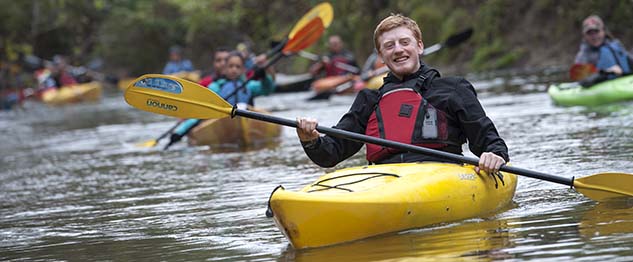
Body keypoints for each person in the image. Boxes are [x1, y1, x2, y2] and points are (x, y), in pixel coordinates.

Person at [295, 14, 508, 176]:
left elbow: (491, 144)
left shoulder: (453, 89)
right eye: (389, 46)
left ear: (420, 46)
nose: (398, 50)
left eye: (404, 42)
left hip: (440, 176)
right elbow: (331, 154)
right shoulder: (369, 100)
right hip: (386, 179)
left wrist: (494, 156)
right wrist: (310, 140)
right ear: (381, 55)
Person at [165, 51, 276, 149]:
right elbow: (200, 113)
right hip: (220, 120)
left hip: (246, 118)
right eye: (231, 66)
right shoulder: (215, 87)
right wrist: (180, 132)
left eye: (238, 67)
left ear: (243, 69)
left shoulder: (250, 86)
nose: (234, 70)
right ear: (225, 69)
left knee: (242, 106)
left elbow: (268, 89)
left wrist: (264, 77)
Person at [574, 15, 633, 85]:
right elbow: (583, 80)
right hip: (603, 87)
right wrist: (606, 73)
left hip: (626, 82)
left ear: (603, 31)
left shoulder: (614, 46)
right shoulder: (583, 55)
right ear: (584, 36)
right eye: (589, 33)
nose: (594, 36)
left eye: (596, 31)